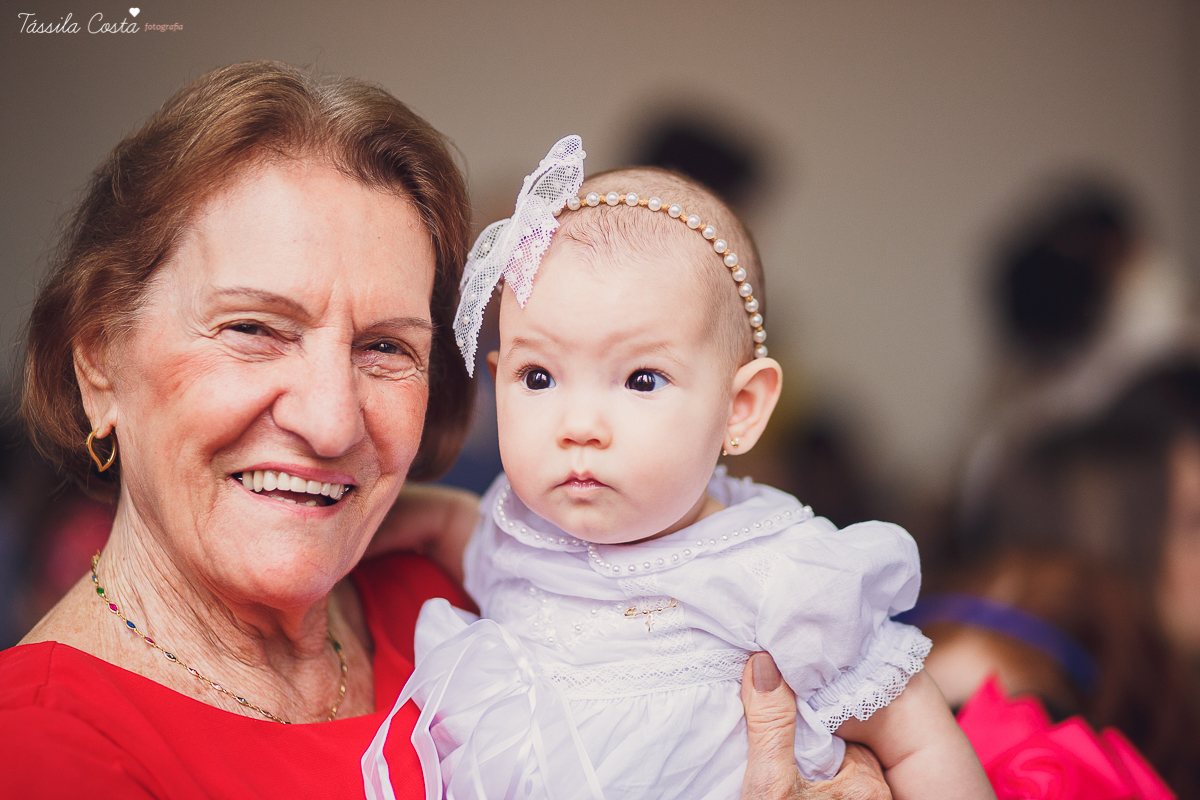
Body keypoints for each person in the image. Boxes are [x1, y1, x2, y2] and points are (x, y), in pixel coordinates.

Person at [0, 63, 891, 800]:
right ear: (99, 366)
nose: (329, 417)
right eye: (253, 328)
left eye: (387, 347)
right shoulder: (43, 749)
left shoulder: (477, 597)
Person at [365, 137, 990, 800]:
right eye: (539, 376)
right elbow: (446, 523)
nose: (578, 425)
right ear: (499, 377)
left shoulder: (779, 576)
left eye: (640, 379)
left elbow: (918, 735)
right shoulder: (512, 529)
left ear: (739, 409)